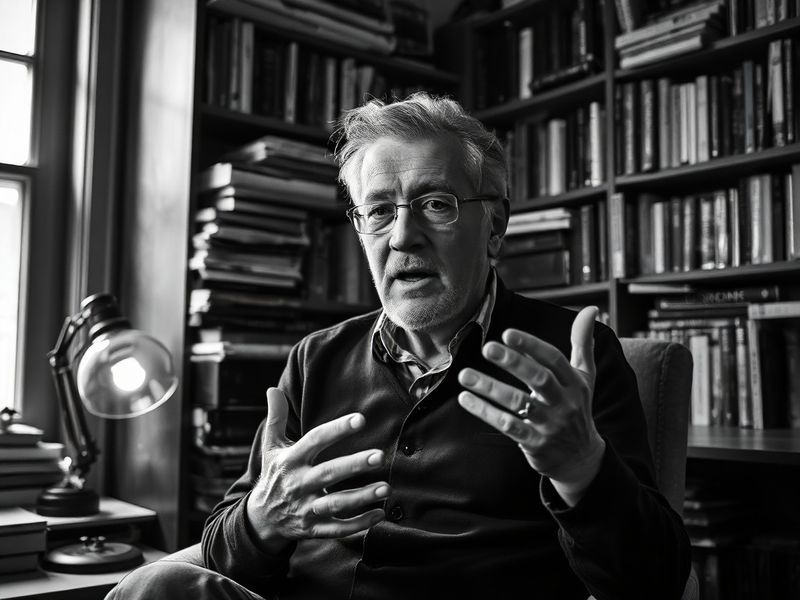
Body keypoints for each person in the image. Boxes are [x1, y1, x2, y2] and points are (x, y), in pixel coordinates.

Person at [107, 92, 691, 600]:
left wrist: (583, 468)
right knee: (157, 587)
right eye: (380, 211)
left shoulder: (565, 359)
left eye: (435, 204)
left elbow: (655, 584)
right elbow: (226, 555)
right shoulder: (317, 359)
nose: (403, 236)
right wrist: (264, 518)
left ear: (494, 226)